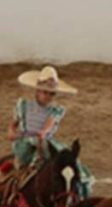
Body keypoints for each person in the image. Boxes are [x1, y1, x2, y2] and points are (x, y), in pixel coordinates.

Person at [8, 65, 94, 196]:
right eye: (45, 92)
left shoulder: (55, 110)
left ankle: (78, 193)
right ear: (37, 90)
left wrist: (43, 133)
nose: (48, 96)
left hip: (45, 141)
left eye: (52, 93)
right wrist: (12, 132)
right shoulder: (23, 105)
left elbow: (48, 125)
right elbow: (13, 124)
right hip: (25, 142)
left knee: (70, 162)